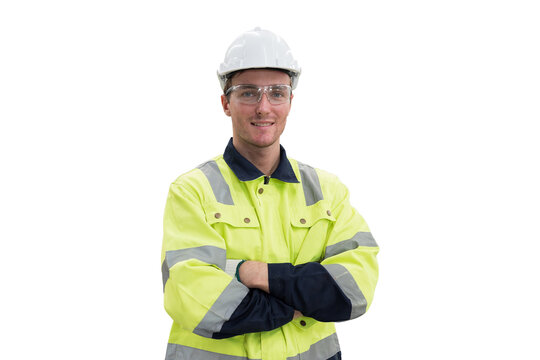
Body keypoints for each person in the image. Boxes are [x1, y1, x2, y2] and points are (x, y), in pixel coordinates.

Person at [161, 27, 379, 360]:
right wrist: (298, 300)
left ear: (290, 101)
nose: (264, 107)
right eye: (248, 93)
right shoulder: (192, 191)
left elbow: (355, 288)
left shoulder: (328, 191)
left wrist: (254, 273)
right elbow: (191, 295)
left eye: (277, 92)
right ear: (226, 103)